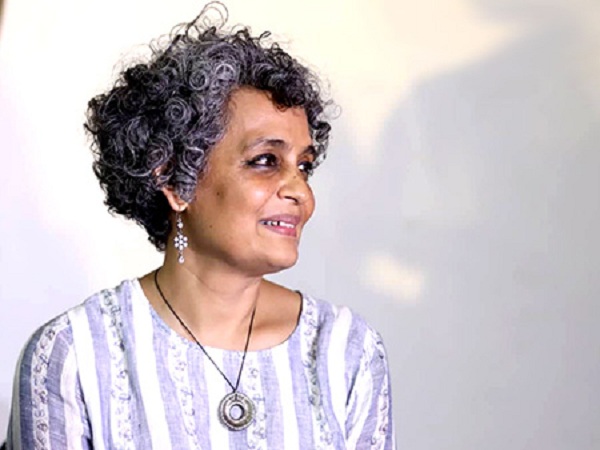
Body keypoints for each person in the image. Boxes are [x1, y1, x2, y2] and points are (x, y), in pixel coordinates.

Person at [5, 4, 395, 449]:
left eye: (303, 166)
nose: (300, 193)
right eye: (265, 160)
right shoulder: (75, 354)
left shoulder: (345, 351)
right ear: (175, 180)